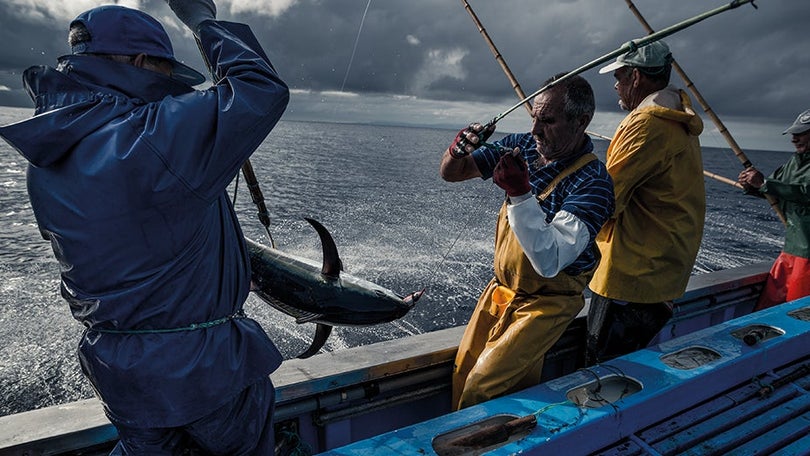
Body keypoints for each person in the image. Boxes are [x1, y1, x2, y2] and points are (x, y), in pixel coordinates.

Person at [0, 1, 289, 454]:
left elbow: (138, 241)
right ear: (138, 63)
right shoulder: (153, 136)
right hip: (204, 372)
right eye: (163, 69)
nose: (170, 87)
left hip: (120, 373)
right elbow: (259, 88)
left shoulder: (47, 156)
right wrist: (201, 19)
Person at [439, 73, 614, 410]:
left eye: (547, 121)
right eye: (533, 118)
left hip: (546, 303)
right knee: (463, 372)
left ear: (582, 122)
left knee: (482, 387)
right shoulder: (525, 145)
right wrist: (457, 151)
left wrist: (520, 194)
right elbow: (452, 173)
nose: (535, 131)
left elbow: (550, 262)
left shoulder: (593, 183)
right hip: (501, 290)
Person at [586, 40, 705, 365]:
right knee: (631, 371)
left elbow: (605, 202)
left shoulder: (646, 123)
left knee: (603, 376)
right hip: (661, 276)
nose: (616, 86)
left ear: (636, 78)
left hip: (630, 279)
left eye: (620, 77)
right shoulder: (678, 118)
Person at [738, 109, 810, 311]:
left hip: (807, 257)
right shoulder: (794, 163)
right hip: (790, 251)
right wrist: (751, 185)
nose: (794, 139)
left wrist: (764, 183)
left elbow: (805, 192)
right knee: (768, 309)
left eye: (801, 133)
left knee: (797, 314)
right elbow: (772, 189)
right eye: (794, 134)